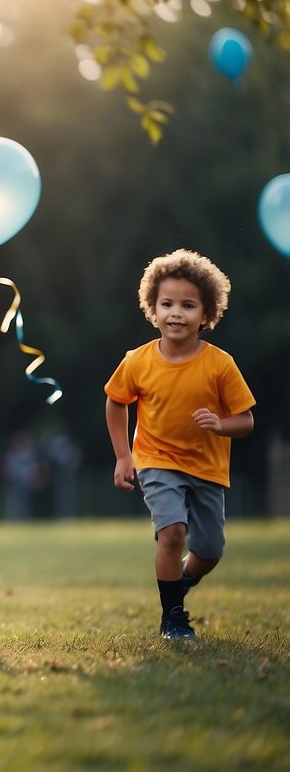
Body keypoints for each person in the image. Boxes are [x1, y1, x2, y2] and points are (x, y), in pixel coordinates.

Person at [105, 249, 254, 641]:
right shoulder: (137, 361)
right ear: (151, 309)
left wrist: (221, 425)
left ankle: (182, 579)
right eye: (167, 303)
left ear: (206, 315)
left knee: (209, 551)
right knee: (172, 533)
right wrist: (124, 455)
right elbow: (116, 401)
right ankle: (173, 617)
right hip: (156, 460)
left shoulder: (220, 364)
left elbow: (246, 420)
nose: (176, 313)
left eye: (188, 305)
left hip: (206, 467)